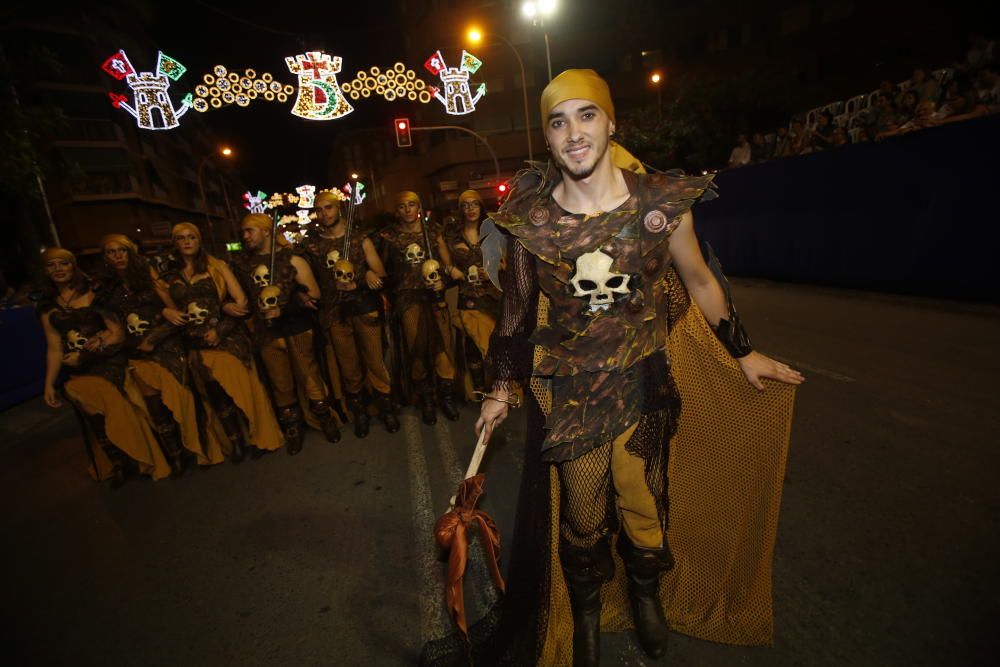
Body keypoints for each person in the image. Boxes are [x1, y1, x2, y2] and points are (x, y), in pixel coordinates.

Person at [421, 69, 801, 667]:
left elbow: (699, 280)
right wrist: (501, 388)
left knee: (644, 506)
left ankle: (646, 594)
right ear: (546, 140)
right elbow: (516, 318)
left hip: (645, 381)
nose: (573, 132)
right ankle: (588, 614)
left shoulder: (660, 204)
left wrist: (743, 350)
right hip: (572, 396)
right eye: (557, 121)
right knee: (581, 516)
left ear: (610, 122)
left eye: (586, 114)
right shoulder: (530, 225)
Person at [38, 248, 170, 486]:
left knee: (96, 394)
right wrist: (48, 384)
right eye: (51, 265)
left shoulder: (94, 293)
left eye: (63, 264)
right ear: (46, 272)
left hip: (107, 359)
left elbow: (117, 333)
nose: (58, 269)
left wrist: (93, 348)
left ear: (73, 266)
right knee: (84, 400)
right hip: (78, 367)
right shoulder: (47, 308)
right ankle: (118, 461)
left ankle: (138, 454)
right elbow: (54, 348)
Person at [97, 234, 224, 476]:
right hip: (136, 351)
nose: (117, 256)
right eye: (111, 252)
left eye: (122, 250)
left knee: (183, 400)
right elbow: (115, 330)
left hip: (166, 346)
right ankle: (175, 456)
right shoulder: (106, 292)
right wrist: (100, 341)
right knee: (154, 406)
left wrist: (157, 329)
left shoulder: (150, 279)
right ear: (105, 257)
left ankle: (200, 449)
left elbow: (178, 314)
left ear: (131, 253)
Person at [159, 222, 283, 460]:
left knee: (244, 390)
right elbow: (168, 307)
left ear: (199, 240)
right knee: (215, 395)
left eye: (191, 237)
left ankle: (259, 436)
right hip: (194, 343)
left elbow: (242, 303)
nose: (187, 242)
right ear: (174, 243)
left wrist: (221, 328)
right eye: (181, 238)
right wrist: (166, 312)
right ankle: (235, 441)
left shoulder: (217, 266)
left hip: (225, 340)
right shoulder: (169, 275)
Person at [231, 213, 341, 454]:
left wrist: (291, 301)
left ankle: (325, 419)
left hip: (296, 327)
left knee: (309, 376)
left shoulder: (292, 259)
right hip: (266, 333)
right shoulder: (240, 264)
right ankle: (292, 429)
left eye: (250, 231)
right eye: (244, 232)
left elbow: (315, 294)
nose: (245, 236)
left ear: (266, 231)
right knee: (281, 383)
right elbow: (237, 298)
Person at [303, 191, 399, 436]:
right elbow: (300, 276)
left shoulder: (359, 239)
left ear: (339, 209)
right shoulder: (313, 246)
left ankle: (387, 409)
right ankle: (360, 412)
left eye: (329, 208)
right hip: (334, 312)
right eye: (320, 209)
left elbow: (380, 273)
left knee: (375, 362)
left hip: (364, 308)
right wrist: (300, 295)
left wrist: (364, 276)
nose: (324, 213)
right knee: (349, 367)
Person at [378, 191, 462, 424]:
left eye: (411, 205)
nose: (407, 210)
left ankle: (446, 397)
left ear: (419, 207)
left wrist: (444, 278)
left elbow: (447, 265)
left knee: (443, 346)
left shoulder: (433, 232)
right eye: (402, 206)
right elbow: (382, 271)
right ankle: (426, 399)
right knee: (417, 348)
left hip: (435, 296)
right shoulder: (389, 236)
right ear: (397, 210)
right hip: (407, 300)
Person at [444, 189, 502, 395]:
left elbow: (506, 262)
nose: (470, 209)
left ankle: (499, 387)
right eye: (466, 205)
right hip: (466, 296)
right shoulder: (451, 235)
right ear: (461, 209)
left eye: (474, 204)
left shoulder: (493, 231)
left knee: (496, 342)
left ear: (481, 206)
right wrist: (451, 270)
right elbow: (443, 262)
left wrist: (491, 271)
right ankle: (478, 388)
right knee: (470, 342)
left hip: (492, 296)